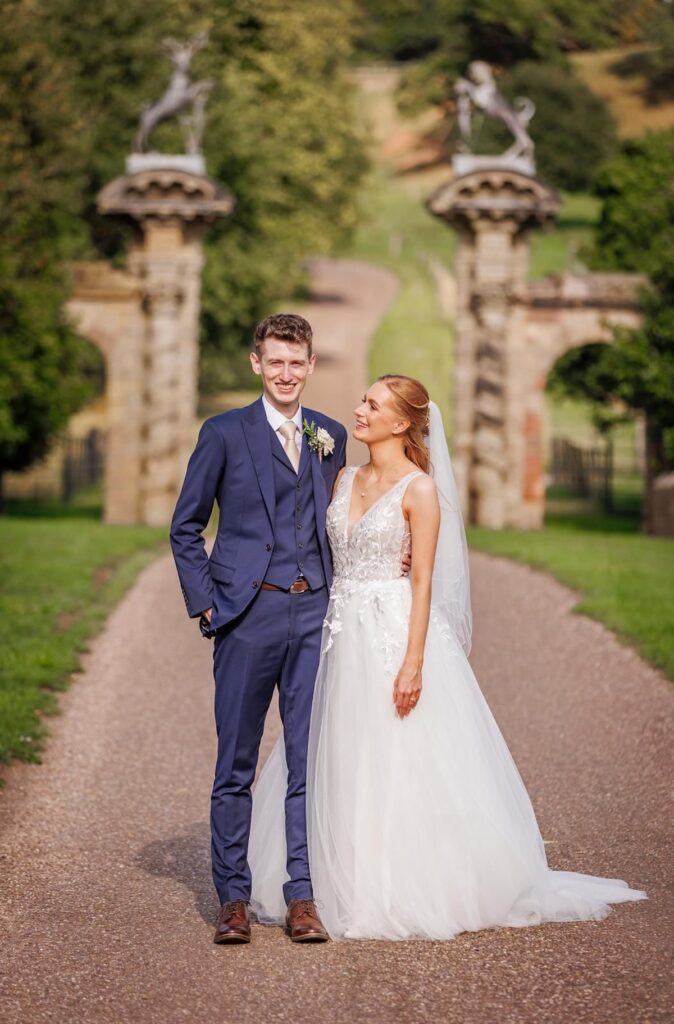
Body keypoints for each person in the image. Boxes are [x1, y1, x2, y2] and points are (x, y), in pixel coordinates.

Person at [247, 374, 647, 940]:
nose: (358, 410)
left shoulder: (420, 490)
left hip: (391, 631)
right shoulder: (342, 476)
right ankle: (323, 873)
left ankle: (396, 883)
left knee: (396, 753)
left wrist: (413, 663)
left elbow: (425, 583)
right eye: (363, 400)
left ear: (401, 423)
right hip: (338, 632)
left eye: (373, 404)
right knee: (334, 748)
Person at [170, 313, 347, 944]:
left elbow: (345, 517)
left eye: (297, 362)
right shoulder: (222, 433)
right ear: (256, 363)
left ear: (311, 365)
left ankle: (302, 895)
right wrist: (208, 604)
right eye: (275, 361)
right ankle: (233, 898)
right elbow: (185, 526)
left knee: (307, 760)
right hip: (247, 615)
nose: (286, 373)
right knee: (237, 763)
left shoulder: (330, 435)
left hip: (315, 616)